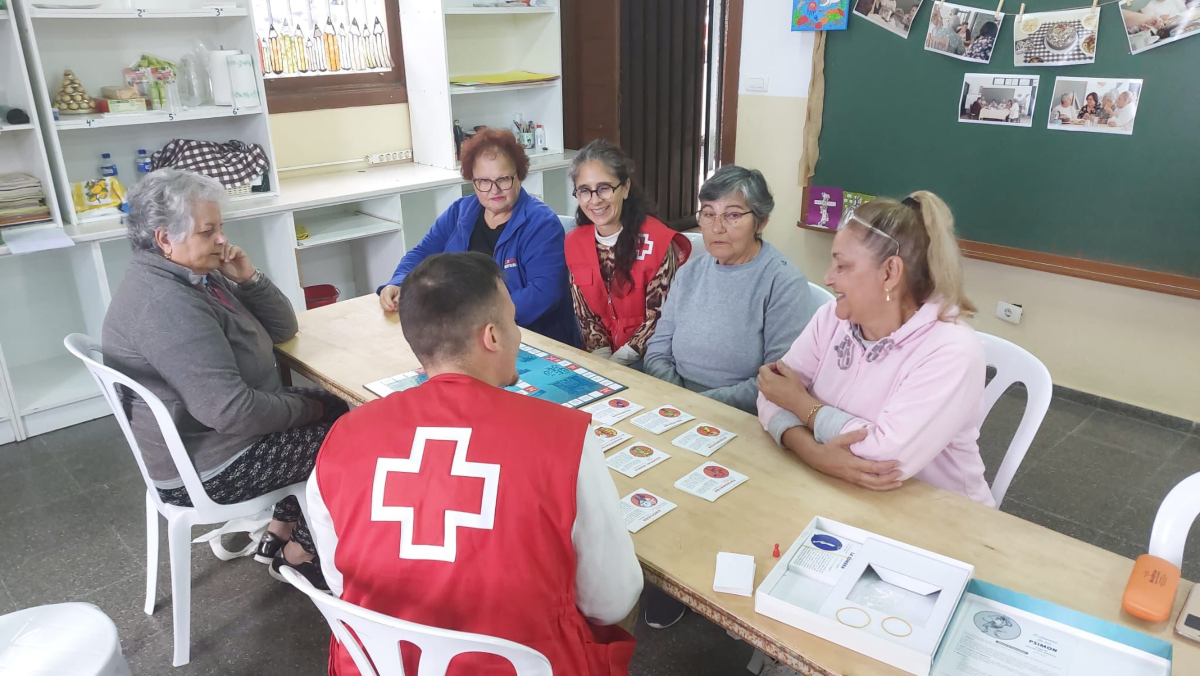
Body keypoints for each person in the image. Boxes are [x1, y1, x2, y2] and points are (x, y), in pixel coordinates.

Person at [308, 252, 642, 676]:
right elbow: (610, 600)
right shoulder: (567, 438)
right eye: (512, 320)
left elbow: (340, 583)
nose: (518, 333)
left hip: (384, 663)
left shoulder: (342, 437)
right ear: (492, 336)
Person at [102, 169, 348, 589]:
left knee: (338, 409)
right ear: (165, 238)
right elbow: (233, 411)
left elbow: (284, 328)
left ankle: (280, 531)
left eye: (220, 227)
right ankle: (300, 553)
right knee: (352, 439)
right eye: (208, 231)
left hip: (208, 439)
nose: (221, 239)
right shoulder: (167, 304)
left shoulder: (189, 273)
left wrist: (248, 280)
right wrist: (312, 407)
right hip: (212, 466)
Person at [756, 191, 994, 507]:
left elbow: (883, 457)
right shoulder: (832, 318)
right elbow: (770, 392)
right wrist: (816, 454)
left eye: (842, 266)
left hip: (941, 516)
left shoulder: (952, 350)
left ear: (889, 273)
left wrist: (801, 404)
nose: (828, 278)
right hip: (844, 494)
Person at [377, 127, 578, 346]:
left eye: (503, 179)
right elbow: (422, 254)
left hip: (530, 337)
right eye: (483, 181)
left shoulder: (541, 223)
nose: (494, 190)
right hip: (466, 332)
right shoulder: (460, 212)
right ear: (472, 181)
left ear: (519, 176)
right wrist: (397, 283)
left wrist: (476, 318)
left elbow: (544, 293)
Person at [644, 165, 815, 415]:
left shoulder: (783, 283)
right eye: (708, 213)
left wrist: (698, 404)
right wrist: (677, 398)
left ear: (761, 221)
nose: (717, 227)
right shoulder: (689, 273)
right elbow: (657, 350)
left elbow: (777, 380)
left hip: (739, 413)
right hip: (674, 401)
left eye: (733, 215)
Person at [565, 139, 691, 367]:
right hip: (600, 358)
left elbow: (660, 317)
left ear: (625, 188)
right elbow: (584, 314)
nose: (595, 200)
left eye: (604, 188)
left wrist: (620, 361)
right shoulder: (574, 243)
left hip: (649, 357)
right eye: (585, 191)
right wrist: (603, 360)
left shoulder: (657, 241)